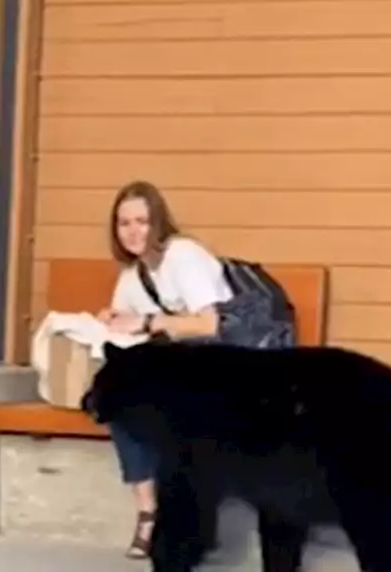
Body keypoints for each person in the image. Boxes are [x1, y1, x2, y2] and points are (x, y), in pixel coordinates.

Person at [95, 179, 233, 559]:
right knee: (122, 403)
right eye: (124, 223)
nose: (133, 231)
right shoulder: (132, 275)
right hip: (180, 371)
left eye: (142, 221)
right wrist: (113, 320)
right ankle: (149, 513)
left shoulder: (182, 255)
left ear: (158, 222)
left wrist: (149, 321)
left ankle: (189, 521)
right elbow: (130, 331)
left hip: (226, 365)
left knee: (173, 408)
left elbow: (210, 325)